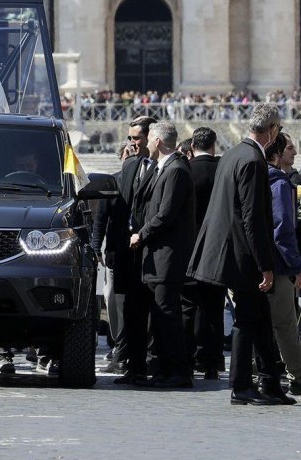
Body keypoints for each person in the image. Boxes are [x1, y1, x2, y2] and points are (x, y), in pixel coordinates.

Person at [188, 103, 294, 406]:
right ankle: (241, 386)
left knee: (260, 316)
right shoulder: (252, 161)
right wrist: (265, 265)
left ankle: (270, 383)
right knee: (248, 319)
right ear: (272, 130)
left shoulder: (233, 154)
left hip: (226, 248)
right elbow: (253, 218)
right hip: (241, 254)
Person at [91, 116, 157, 382]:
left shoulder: (158, 172)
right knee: (120, 305)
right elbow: (103, 218)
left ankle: (142, 356)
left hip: (146, 250)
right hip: (120, 253)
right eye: (129, 139)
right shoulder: (116, 179)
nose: (132, 144)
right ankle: (122, 352)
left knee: (143, 308)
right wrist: (98, 246)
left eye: (136, 138)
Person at [129, 122, 194, 388]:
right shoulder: (164, 168)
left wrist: (141, 234)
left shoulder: (176, 169)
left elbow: (166, 213)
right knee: (160, 316)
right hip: (157, 256)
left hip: (168, 255)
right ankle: (163, 369)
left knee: (167, 315)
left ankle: (179, 371)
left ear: (157, 141)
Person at [264, 132, 301, 396]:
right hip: (280, 264)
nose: (295, 153)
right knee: (286, 323)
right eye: (289, 148)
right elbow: (283, 229)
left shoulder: (254, 177)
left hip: (258, 262)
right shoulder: (279, 183)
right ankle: (298, 375)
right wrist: (298, 265)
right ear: (276, 153)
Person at [183, 127, 224, 380]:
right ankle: (211, 362)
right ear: (213, 146)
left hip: (189, 248)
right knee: (214, 308)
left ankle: (188, 357)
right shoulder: (222, 172)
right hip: (216, 248)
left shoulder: (185, 171)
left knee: (188, 306)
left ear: (192, 147)